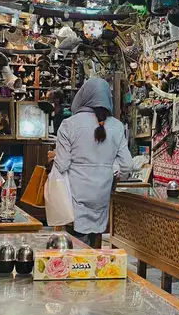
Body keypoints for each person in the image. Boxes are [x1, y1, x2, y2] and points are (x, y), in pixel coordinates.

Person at [52, 78, 133, 248]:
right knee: (95, 242)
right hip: (101, 197)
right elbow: (127, 165)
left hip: (75, 196)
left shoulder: (69, 124)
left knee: (75, 244)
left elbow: (63, 164)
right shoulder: (117, 126)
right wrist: (116, 176)